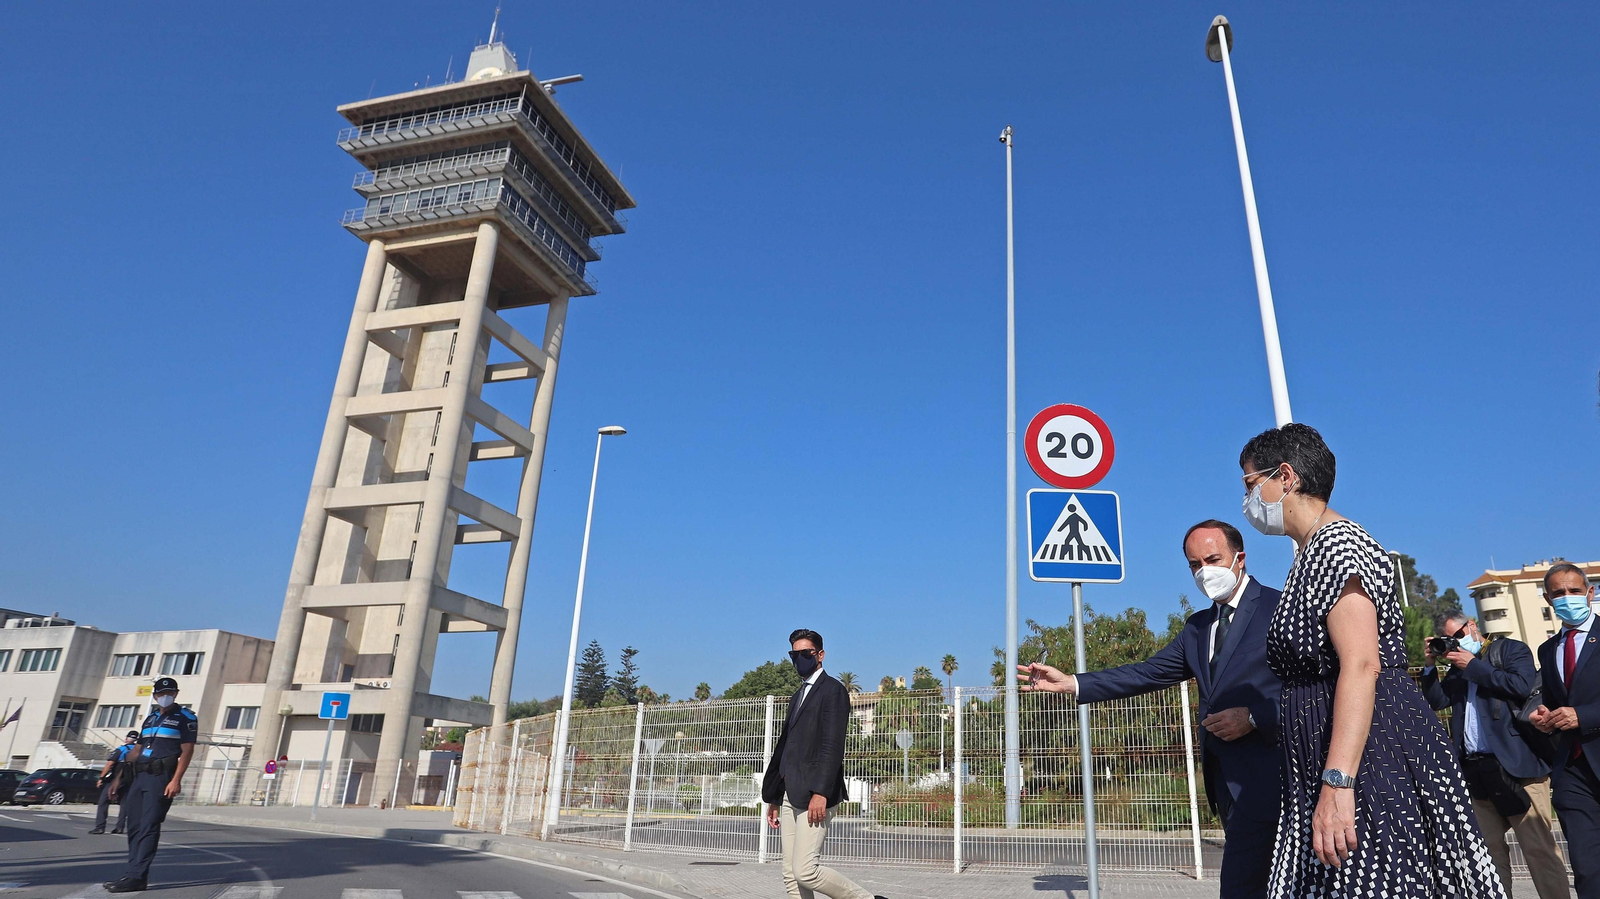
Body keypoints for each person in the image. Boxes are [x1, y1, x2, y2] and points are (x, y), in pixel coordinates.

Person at [1237, 423, 1502, 898]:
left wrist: (1339, 782)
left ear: (1286, 477)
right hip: (1330, 750)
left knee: (1375, 879)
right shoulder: (1311, 551)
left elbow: (1361, 664)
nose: (1247, 500)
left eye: (1250, 485)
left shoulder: (1338, 545)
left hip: (1369, 754)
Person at [1017, 519, 1283, 898]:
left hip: (1279, 779)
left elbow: (1315, 689)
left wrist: (1255, 717)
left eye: (1212, 560)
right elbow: (1146, 673)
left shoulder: (1278, 608)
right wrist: (1073, 683)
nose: (1204, 572)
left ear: (1239, 558)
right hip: (1227, 786)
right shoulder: (1198, 628)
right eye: (1194, 565)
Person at [1421, 612, 1570, 898]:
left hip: (1519, 767)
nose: (1456, 643)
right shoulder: (1457, 668)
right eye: (1449, 640)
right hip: (1476, 772)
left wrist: (1473, 665)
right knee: (1488, 855)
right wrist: (1429, 667)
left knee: (1538, 850)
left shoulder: (1510, 649)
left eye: (1458, 635)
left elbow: (1521, 686)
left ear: (1471, 625)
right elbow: (1438, 701)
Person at [760, 629, 884, 899]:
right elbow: (787, 749)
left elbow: (832, 746)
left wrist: (821, 792)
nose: (799, 659)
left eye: (806, 653)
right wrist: (775, 797)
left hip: (814, 794)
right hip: (790, 793)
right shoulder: (798, 695)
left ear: (820, 655)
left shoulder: (833, 691)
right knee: (790, 874)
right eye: (794, 654)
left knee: (805, 870)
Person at [1530, 562, 1600, 898]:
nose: (1567, 597)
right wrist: (1544, 718)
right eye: (1559, 593)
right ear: (1548, 599)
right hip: (1573, 772)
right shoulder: (1548, 650)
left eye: (1574, 590)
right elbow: (1556, 703)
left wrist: (1582, 716)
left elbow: (1578, 711)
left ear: (1590, 592)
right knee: (1588, 869)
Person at [104, 676, 197, 893]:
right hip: (139, 776)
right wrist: (118, 779)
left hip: (161, 777)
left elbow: (187, 751)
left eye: (170, 693)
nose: (165, 696)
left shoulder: (185, 717)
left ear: (176, 694)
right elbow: (136, 751)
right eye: (161, 693)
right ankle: (132, 873)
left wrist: (176, 780)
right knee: (134, 826)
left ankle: (138, 877)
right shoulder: (150, 718)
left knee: (149, 826)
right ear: (155, 696)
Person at [89, 730, 139, 835]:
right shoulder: (138, 750)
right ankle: (120, 827)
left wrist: (101, 778)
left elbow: (109, 764)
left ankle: (100, 827)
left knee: (103, 801)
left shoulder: (121, 749)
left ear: (127, 738)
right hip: (130, 780)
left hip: (116, 779)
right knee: (124, 803)